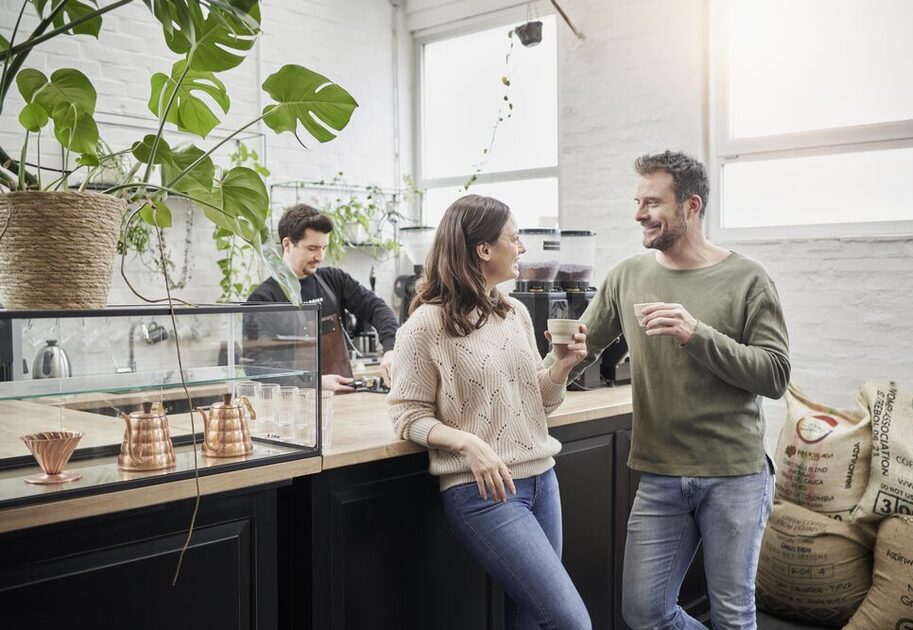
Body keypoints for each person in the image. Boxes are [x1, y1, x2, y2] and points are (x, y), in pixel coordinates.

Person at [559, 151, 790, 629]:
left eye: (653, 202)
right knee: (644, 612)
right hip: (661, 472)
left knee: (732, 614)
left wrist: (695, 333)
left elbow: (774, 374)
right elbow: (575, 356)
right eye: (637, 201)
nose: (640, 213)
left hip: (736, 474)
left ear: (691, 206)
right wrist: (546, 370)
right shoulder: (627, 277)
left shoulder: (748, 279)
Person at [387, 194, 593, 630]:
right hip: (483, 493)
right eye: (514, 239)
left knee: (533, 620)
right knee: (572, 622)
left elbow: (535, 399)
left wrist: (561, 367)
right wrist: (467, 442)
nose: (522, 249)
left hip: (542, 479)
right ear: (484, 249)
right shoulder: (424, 326)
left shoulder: (513, 311)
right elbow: (406, 415)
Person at [247, 204, 399, 391]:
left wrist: (391, 348)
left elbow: (377, 308)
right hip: (292, 405)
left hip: (342, 397)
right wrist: (313, 382)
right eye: (312, 248)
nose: (320, 256)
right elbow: (256, 364)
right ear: (287, 244)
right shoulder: (263, 298)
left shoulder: (334, 280)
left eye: (324, 248)